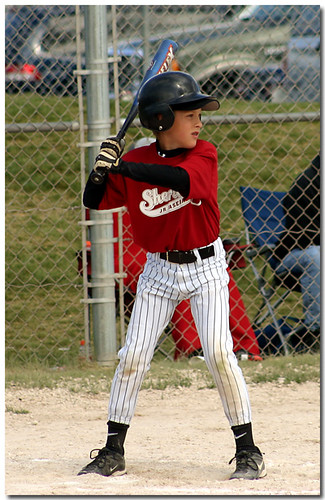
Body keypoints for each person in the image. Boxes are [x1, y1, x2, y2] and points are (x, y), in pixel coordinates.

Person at [78, 71, 266, 480]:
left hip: (207, 268)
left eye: (200, 114)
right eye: (190, 115)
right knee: (133, 357)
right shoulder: (138, 162)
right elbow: (93, 201)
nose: (200, 122)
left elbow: (180, 181)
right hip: (158, 271)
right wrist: (101, 169)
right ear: (162, 120)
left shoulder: (203, 155)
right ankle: (113, 450)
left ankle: (248, 450)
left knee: (218, 353)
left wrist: (124, 166)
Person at [273, 153, 320, 343]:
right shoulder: (305, 185)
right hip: (294, 254)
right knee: (317, 256)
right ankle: (315, 331)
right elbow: (301, 234)